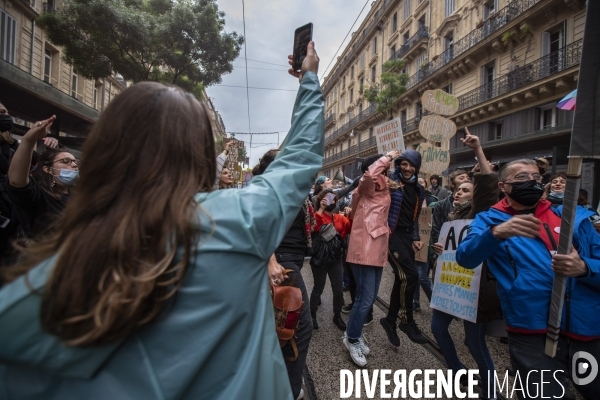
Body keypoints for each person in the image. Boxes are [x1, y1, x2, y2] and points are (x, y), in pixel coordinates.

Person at [0, 41, 323, 400]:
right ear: (200, 159)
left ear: (104, 152)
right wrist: (308, 78)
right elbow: (300, 156)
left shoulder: (30, 296)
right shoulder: (239, 220)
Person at [457, 158, 600, 399]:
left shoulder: (574, 218)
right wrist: (497, 234)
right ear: (503, 186)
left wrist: (584, 267)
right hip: (531, 328)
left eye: (535, 177)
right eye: (521, 177)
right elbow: (465, 258)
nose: (531, 181)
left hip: (585, 328)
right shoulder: (490, 220)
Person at [253, 148, 313, 400]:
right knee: (300, 327)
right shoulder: (266, 191)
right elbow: (257, 222)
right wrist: (270, 258)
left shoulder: (290, 190)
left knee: (279, 327)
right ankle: (288, 390)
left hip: (291, 260)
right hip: (282, 263)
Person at [343, 151, 399, 366]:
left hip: (376, 246)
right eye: (383, 167)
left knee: (370, 297)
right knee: (364, 299)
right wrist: (386, 157)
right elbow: (367, 177)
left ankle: (352, 334)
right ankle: (352, 339)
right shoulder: (365, 186)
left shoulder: (384, 186)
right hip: (364, 246)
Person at [380, 150, 428, 346]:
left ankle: (389, 321)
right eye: (404, 164)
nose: (407, 168)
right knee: (410, 276)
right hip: (391, 235)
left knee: (402, 280)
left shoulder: (418, 188)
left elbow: (415, 216)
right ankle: (407, 321)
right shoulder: (390, 181)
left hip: (407, 236)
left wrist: (416, 237)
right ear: (398, 164)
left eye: (412, 165)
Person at [5, 119, 77, 239]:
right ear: (48, 169)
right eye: (66, 161)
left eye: (75, 162)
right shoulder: (38, 195)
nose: (74, 165)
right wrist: (29, 140)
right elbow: (16, 181)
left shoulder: (78, 197)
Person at [310, 188, 351, 332]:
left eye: (333, 199)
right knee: (318, 288)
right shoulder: (317, 215)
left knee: (338, 289)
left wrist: (351, 213)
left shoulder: (340, 218)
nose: (330, 202)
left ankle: (337, 315)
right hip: (320, 260)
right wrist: (320, 209)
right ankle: (312, 315)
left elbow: (348, 230)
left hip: (335, 260)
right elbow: (314, 226)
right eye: (327, 199)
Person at [431, 168, 470, 248]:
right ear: (452, 184)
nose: (466, 180)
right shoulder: (441, 205)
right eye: (461, 178)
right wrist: (437, 243)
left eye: (468, 178)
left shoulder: (474, 206)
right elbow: (436, 228)